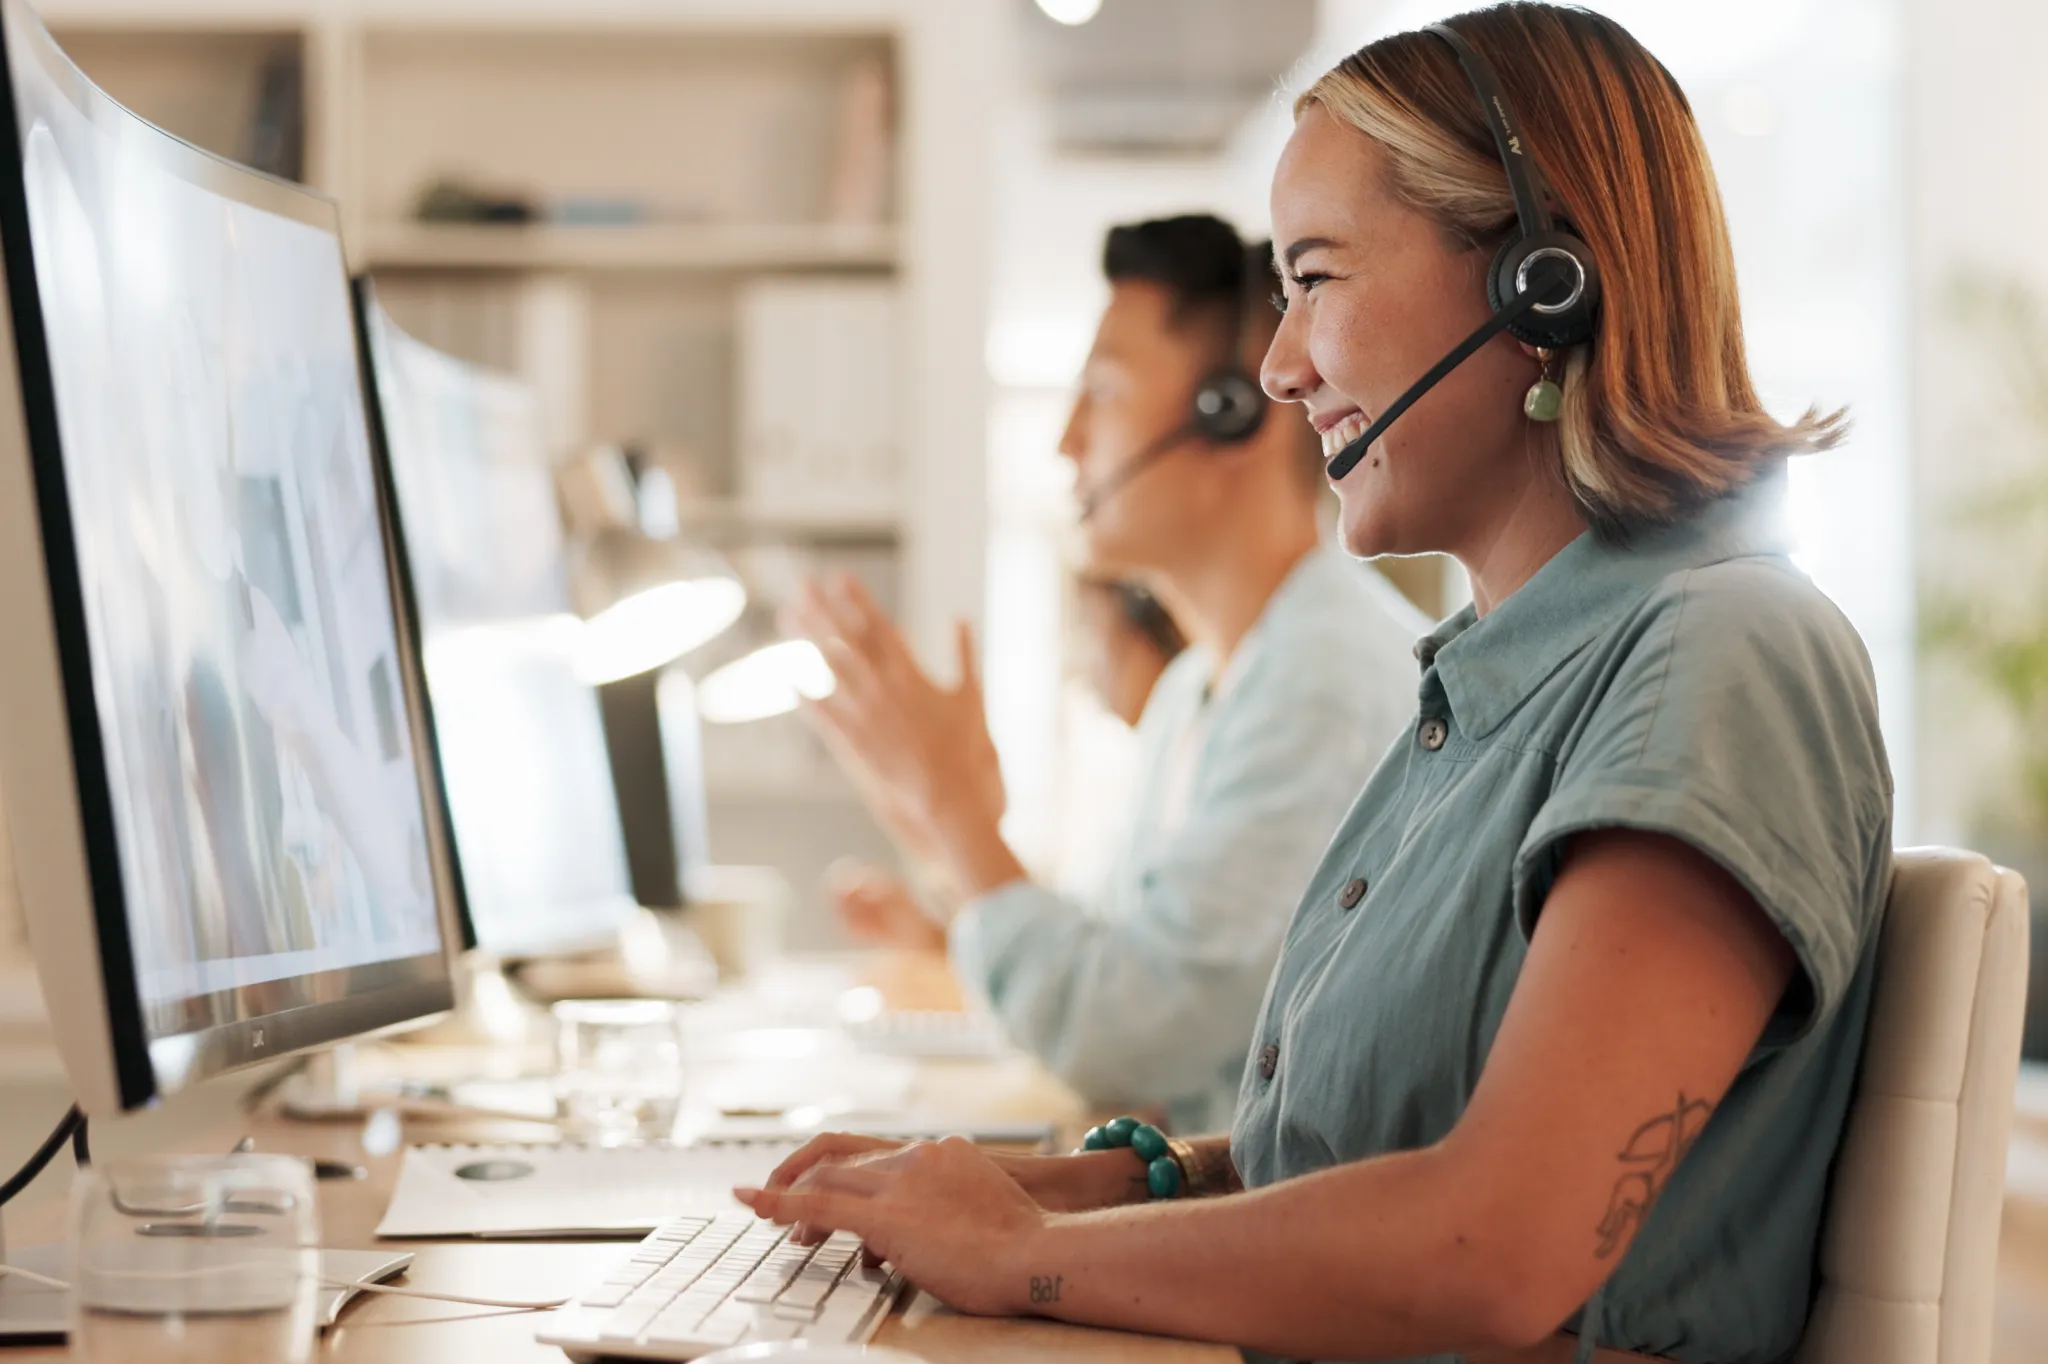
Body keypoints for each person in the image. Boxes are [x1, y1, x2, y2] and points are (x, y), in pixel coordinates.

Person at [740, 7, 1892, 1363]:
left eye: (1317, 280)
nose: (1281, 368)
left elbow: (1496, 1247)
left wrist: (1026, 1257)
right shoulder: (1493, 685)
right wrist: (1081, 1186)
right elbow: (1365, 1150)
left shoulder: (1723, 656)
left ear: (1542, 286)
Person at [785, 214, 1427, 1134]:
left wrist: (959, 821)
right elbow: (1118, 958)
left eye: (1104, 394)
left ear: (1231, 412)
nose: (1066, 441)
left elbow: (1123, 1032)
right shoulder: (1201, 686)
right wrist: (944, 839)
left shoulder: (1318, 684)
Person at [828, 575, 1185, 951]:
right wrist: (935, 932)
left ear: (1145, 636)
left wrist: (952, 806)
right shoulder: (1153, 777)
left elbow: (1091, 983)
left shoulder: (1186, 777)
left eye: (1089, 631)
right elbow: (1072, 957)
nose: (1081, 665)